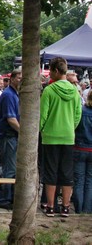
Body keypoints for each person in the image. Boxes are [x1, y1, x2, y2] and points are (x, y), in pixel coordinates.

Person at [40, 57, 82, 217]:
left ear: (56, 71)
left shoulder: (49, 91)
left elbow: (43, 115)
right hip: (68, 136)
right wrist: (71, 127)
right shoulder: (75, 92)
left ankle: (50, 206)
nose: (49, 74)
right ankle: (65, 207)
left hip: (50, 137)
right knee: (66, 172)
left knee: (50, 172)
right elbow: (77, 115)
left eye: (50, 70)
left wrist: (42, 130)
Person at [0, 68, 22, 210]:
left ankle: (8, 197)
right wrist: (23, 134)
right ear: (11, 79)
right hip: (8, 137)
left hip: (12, 137)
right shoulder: (8, 95)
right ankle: (4, 199)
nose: (21, 80)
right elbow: (11, 119)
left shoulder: (15, 94)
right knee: (9, 169)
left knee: (11, 168)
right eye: (18, 77)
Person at [73, 90, 92, 213]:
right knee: (90, 180)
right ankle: (87, 209)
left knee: (79, 180)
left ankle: (79, 209)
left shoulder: (81, 111)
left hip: (79, 148)